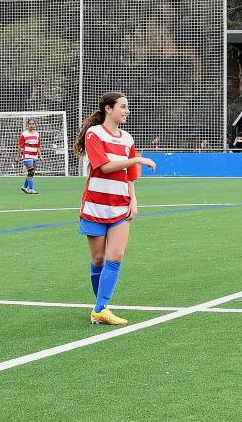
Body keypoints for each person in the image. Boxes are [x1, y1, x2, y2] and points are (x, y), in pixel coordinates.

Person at [74, 92, 156, 326]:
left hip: (120, 207)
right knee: (98, 259)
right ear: (108, 109)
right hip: (95, 207)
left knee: (116, 256)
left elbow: (129, 177)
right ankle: (100, 307)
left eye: (127, 107)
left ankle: (100, 308)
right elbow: (105, 167)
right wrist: (137, 160)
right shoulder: (94, 133)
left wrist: (133, 201)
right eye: (123, 106)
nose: (126, 110)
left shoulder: (128, 139)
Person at [16, 118, 42, 195]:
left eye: (33, 124)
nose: (31, 125)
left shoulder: (37, 134)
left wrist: (40, 156)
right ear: (28, 125)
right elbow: (20, 146)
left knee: (31, 173)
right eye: (30, 124)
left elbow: (38, 146)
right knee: (30, 171)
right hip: (27, 156)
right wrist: (17, 157)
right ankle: (31, 189)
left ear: (35, 125)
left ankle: (24, 186)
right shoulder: (24, 134)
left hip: (34, 156)